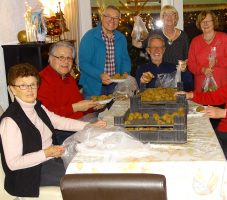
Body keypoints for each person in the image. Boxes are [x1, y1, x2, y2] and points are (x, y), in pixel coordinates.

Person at [0, 63, 107, 197]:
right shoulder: (10, 121)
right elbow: (13, 164)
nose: (29, 89)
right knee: (84, 181)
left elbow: (58, 121)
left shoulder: (36, 106)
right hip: (29, 173)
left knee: (91, 164)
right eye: (23, 85)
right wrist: (46, 153)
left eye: (33, 84)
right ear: (13, 89)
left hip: (50, 160)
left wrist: (89, 126)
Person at [38, 41, 101, 120]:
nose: (66, 61)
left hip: (80, 122)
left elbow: (80, 105)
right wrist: (74, 108)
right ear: (50, 58)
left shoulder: (69, 78)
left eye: (69, 58)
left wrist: (94, 106)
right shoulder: (40, 80)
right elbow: (45, 115)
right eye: (61, 57)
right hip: (61, 129)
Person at [79, 5, 131, 98]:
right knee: (95, 112)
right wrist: (99, 75)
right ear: (102, 17)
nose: (112, 20)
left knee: (116, 112)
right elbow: (83, 64)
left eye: (116, 18)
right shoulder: (89, 37)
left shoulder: (121, 38)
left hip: (115, 86)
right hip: (94, 86)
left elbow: (125, 60)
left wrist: (125, 73)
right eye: (108, 16)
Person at [188, 10, 227, 92]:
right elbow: (191, 65)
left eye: (208, 21)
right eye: (202, 21)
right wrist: (202, 70)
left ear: (214, 22)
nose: (205, 24)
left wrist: (217, 61)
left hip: (221, 90)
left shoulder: (224, 38)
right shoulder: (195, 41)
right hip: (201, 90)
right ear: (199, 24)